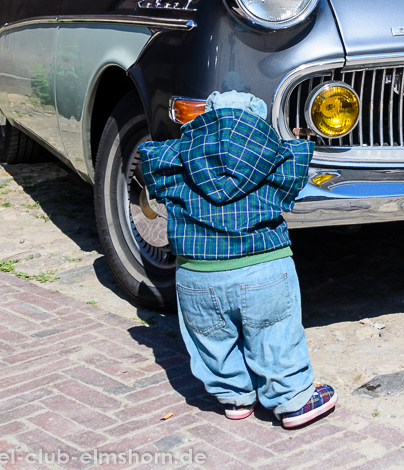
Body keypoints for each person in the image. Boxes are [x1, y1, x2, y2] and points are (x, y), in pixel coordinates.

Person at [139, 91, 336, 428]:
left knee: (211, 338)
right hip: (264, 268)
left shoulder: (176, 158)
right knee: (275, 333)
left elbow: (150, 167)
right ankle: (293, 401)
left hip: (197, 272)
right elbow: (299, 169)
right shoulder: (276, 157)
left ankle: (233, 396)